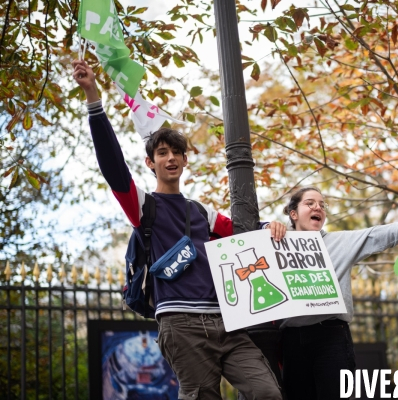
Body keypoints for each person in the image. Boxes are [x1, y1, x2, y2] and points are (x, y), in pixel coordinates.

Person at [72, 60, 284, 400]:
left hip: (228, 322)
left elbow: (246, 233)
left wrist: (270, 226)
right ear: (150, 162)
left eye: (176, 153)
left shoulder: (201, 212)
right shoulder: (143, 207)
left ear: (185, 161)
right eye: (162, 152)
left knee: (267, 392)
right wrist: (93, 97)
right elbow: (112, 165)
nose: (170, 158)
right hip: (181, 324)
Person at [280, 187, 398, 400]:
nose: (318, 207)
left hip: (330, 337)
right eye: (310, 203)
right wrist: (267, 227)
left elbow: (386, 234)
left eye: (322, 204)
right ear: (293, 214)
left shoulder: (340, 243)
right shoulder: (277, 244)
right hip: (291, 341)